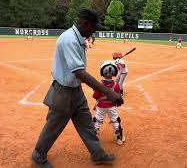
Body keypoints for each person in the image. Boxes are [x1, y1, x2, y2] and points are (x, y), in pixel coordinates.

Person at [31, 9, 123, 168]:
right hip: (63, 92)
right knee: (53, 126)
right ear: (85, 23)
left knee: (87, 124)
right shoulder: (69, 39)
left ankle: (97, 155)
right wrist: (108, 91)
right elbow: (79, 72)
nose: (94, 31)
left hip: (76, 91)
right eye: (93, 28)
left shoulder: (78, 38)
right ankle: (38, 155)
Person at [92, 60, 126, 145]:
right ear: (114, 73)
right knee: (115, 120)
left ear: (102, 72)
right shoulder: (116, 85)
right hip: (112, 106)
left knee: (97, 120)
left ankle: (93, 137)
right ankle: (119, 137)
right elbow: (118, 95)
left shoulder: (99, 85)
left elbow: (95, 96)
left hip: (101, 106)